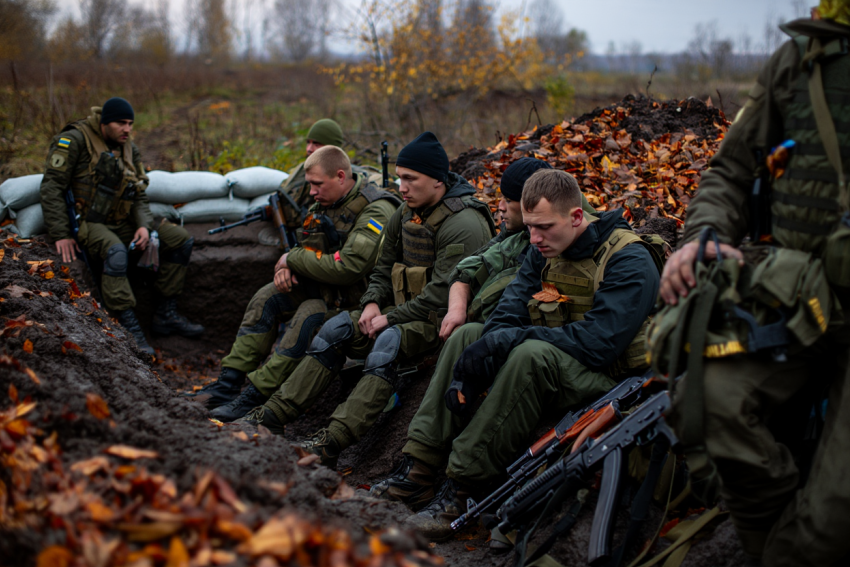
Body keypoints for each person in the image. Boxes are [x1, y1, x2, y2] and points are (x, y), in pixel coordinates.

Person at [370, 169, 661, 540]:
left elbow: (598, 343)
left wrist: (508, 342)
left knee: (528, 353)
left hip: (609, 376)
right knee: (470, 334)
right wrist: (479, 358)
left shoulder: (628, 258)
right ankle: (419, 469)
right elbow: (511, 307)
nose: (533, 238)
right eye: (529, 227)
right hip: (557, 355)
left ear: (576, 217)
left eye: (543, 227)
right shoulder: (545, 247)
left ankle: (462, 489)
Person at [658, 5, 850, 566]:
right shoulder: (804, 60)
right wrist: (704, 237)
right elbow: (731, 171)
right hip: (797, 292)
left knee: (833, 518)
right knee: (707, 399)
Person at [235, 132, 496, 469]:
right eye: (400, 177)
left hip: (441, 322)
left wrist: (390, 318)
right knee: (336, 329)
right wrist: (373, 303)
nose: (401, 187)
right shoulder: (405, 212)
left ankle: (331, 443)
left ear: (437, 179)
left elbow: (443, 294)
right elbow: (382, 267)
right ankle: (271, 415)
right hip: (404, 312)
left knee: (386, 343)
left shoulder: (464, 222)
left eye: (410, 179)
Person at [187, 146, 400, 416]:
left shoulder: (376, 209)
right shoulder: (322, 203)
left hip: (362, 301)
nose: (311, 191)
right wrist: (287, 267)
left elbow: (348, 267)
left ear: (341, 176)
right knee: (267, 297)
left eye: (317, 184)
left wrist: (293, 259)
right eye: (310, 184)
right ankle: (228, 384)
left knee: (308, 316)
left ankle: (255, 395)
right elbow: (306, 248)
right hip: (327, 288)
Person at [39, 98, 204, 355]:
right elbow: (52, 187)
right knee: (116, 252)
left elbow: (138, 193)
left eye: (130, 124)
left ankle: (165, 315)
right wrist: (60, 233)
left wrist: (144, 227)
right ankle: (130, 330)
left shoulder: (129, 147)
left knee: (180, 238)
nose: (127, 129)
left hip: (123, 222)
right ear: (104, 122)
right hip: (90, 224)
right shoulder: (74, 140)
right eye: (121, 123)